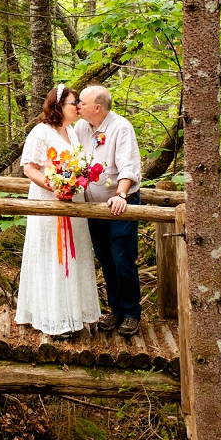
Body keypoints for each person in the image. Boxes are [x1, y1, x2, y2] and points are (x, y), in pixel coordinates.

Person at [15, 84, 101, 337]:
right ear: (58, 106)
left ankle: (73, 313)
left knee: (73, 256)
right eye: (73, 103)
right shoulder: (41, 132)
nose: (77, 108)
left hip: (73, 204)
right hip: (49, 203)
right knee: (52, 254)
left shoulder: (72, 133)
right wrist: (53, 185)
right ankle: (52, 317)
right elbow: (30, 168)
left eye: (77, 104)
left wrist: (76, 182)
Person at [74, 85, 143, 337]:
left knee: (123, 258)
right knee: (104, 257)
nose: (77, 105)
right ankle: (115, 310)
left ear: (97, 107)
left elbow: (128, 166)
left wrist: (121, 194)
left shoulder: (121, 127)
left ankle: (131, 313)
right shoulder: (81, 127)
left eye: (81, 102)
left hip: (119, 205)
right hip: (93, 207)